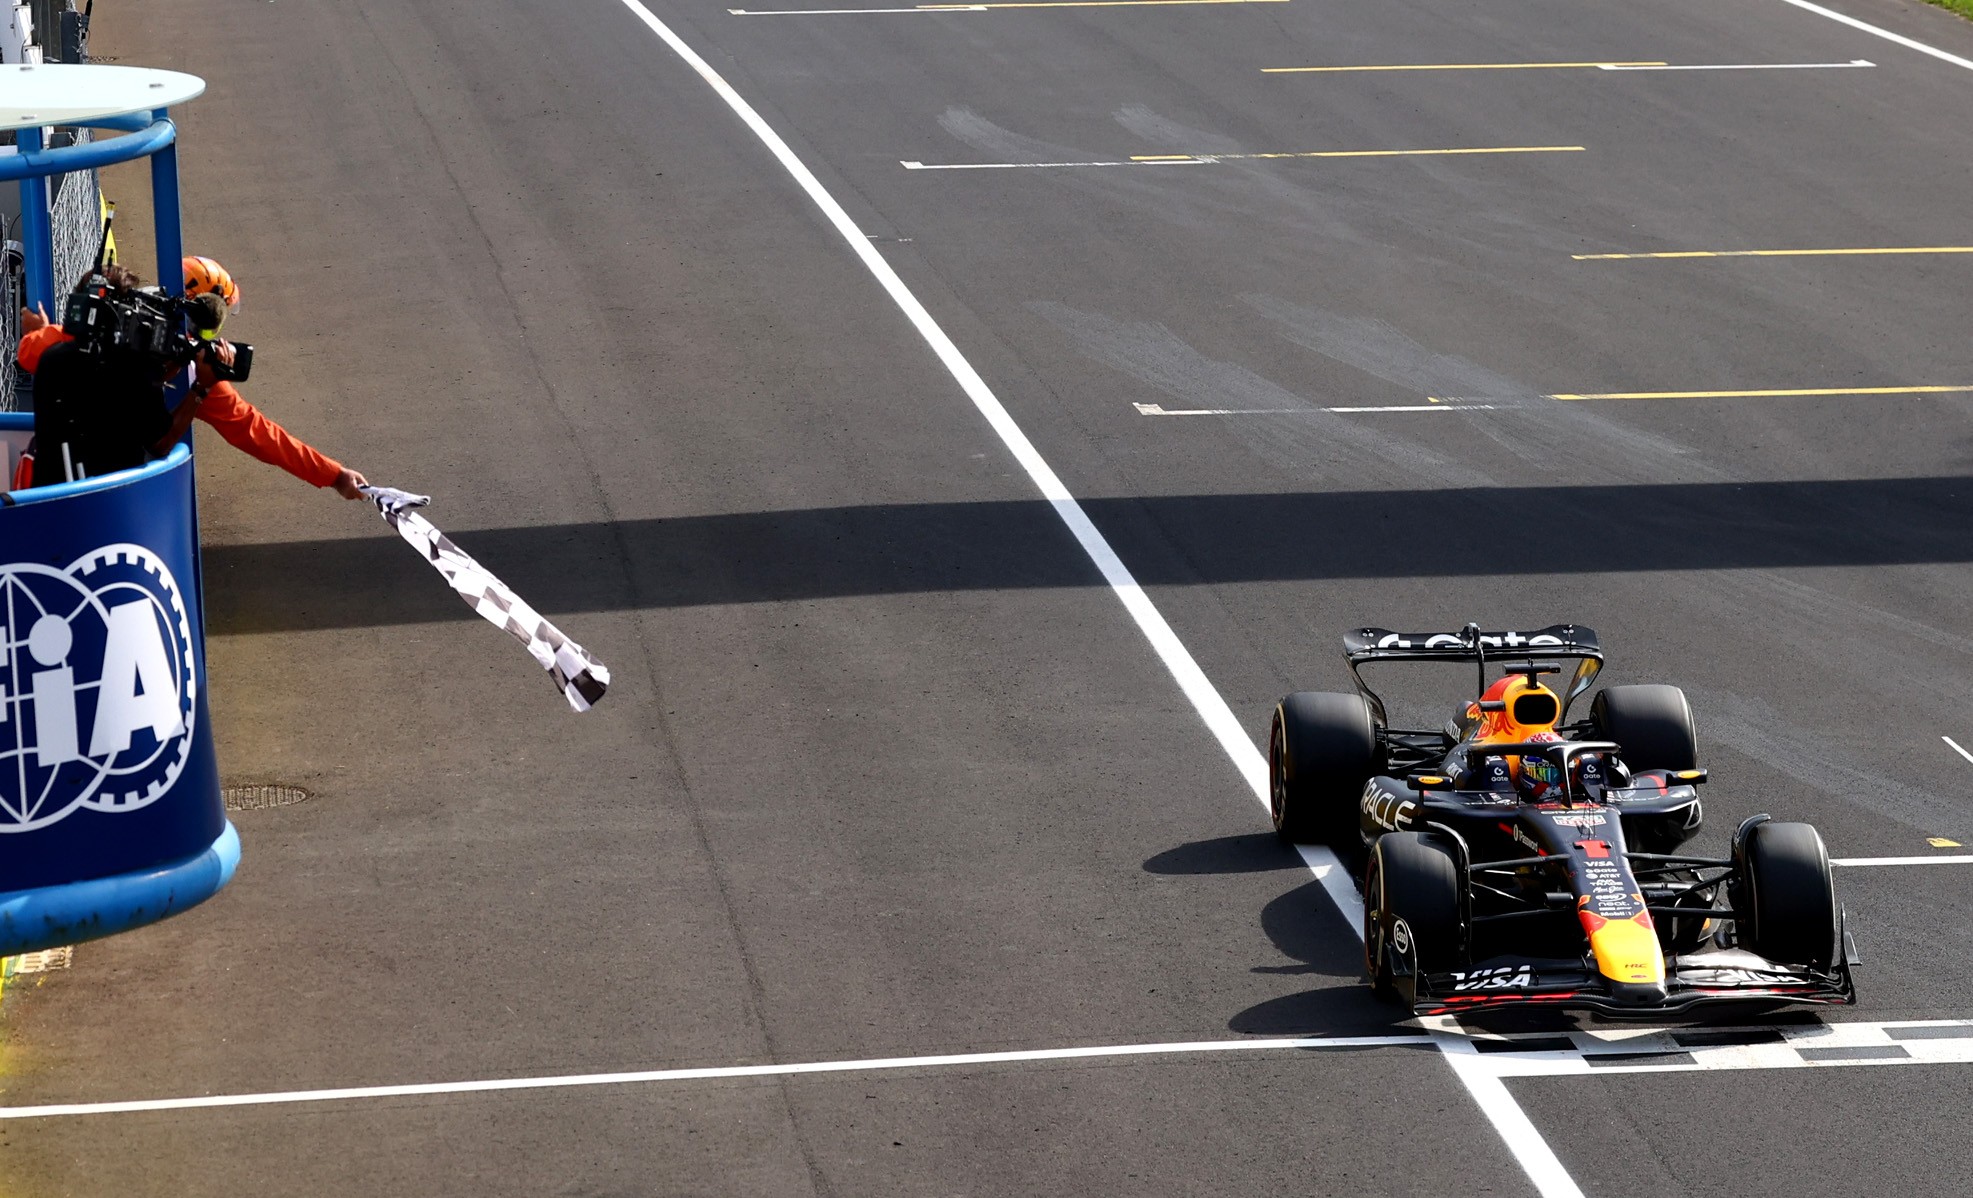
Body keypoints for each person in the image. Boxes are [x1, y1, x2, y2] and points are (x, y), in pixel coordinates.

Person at [15, 257, 368, 497]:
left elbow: (31, 350)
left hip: (53, 485)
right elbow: (259, 434)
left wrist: (40, 332)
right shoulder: (196, 371)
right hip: (114, 494)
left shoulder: (68, 344)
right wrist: (334, 475)